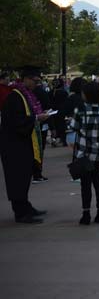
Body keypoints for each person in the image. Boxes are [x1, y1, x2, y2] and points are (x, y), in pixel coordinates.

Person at [0, 67, 50, 223]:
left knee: (23, 176)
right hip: (13, 144)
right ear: (26, 79)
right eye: (35, 81)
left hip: (21, 142)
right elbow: (16, 122)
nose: (36, 84)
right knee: (17, 178)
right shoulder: (15, 97)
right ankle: (20, 212)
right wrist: (36, 118)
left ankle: (25, 206)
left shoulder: (24, 95)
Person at [70, 82, 99, 225]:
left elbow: (73, 126)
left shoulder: (80, 109)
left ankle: (86, 214)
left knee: (85, 185)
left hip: (84, 154)